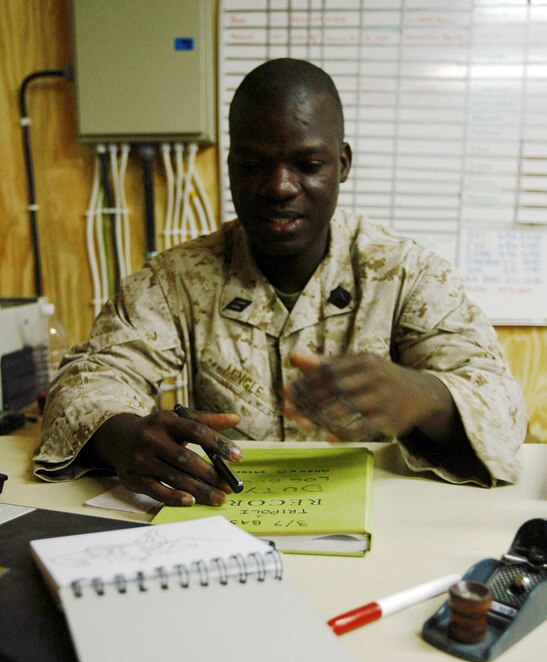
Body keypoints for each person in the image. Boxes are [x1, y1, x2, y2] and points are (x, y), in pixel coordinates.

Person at [33, 58, 526, 504]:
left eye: (308, 165)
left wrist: (425, 396)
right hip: (221, 522)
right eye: (253, 166)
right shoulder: (175, 279)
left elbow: (503, 411)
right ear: (229, 170)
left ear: (343, 165)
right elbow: (87, 380)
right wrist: (123, 436)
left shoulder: (407, 274)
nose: (280, 187)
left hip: (382, 524)